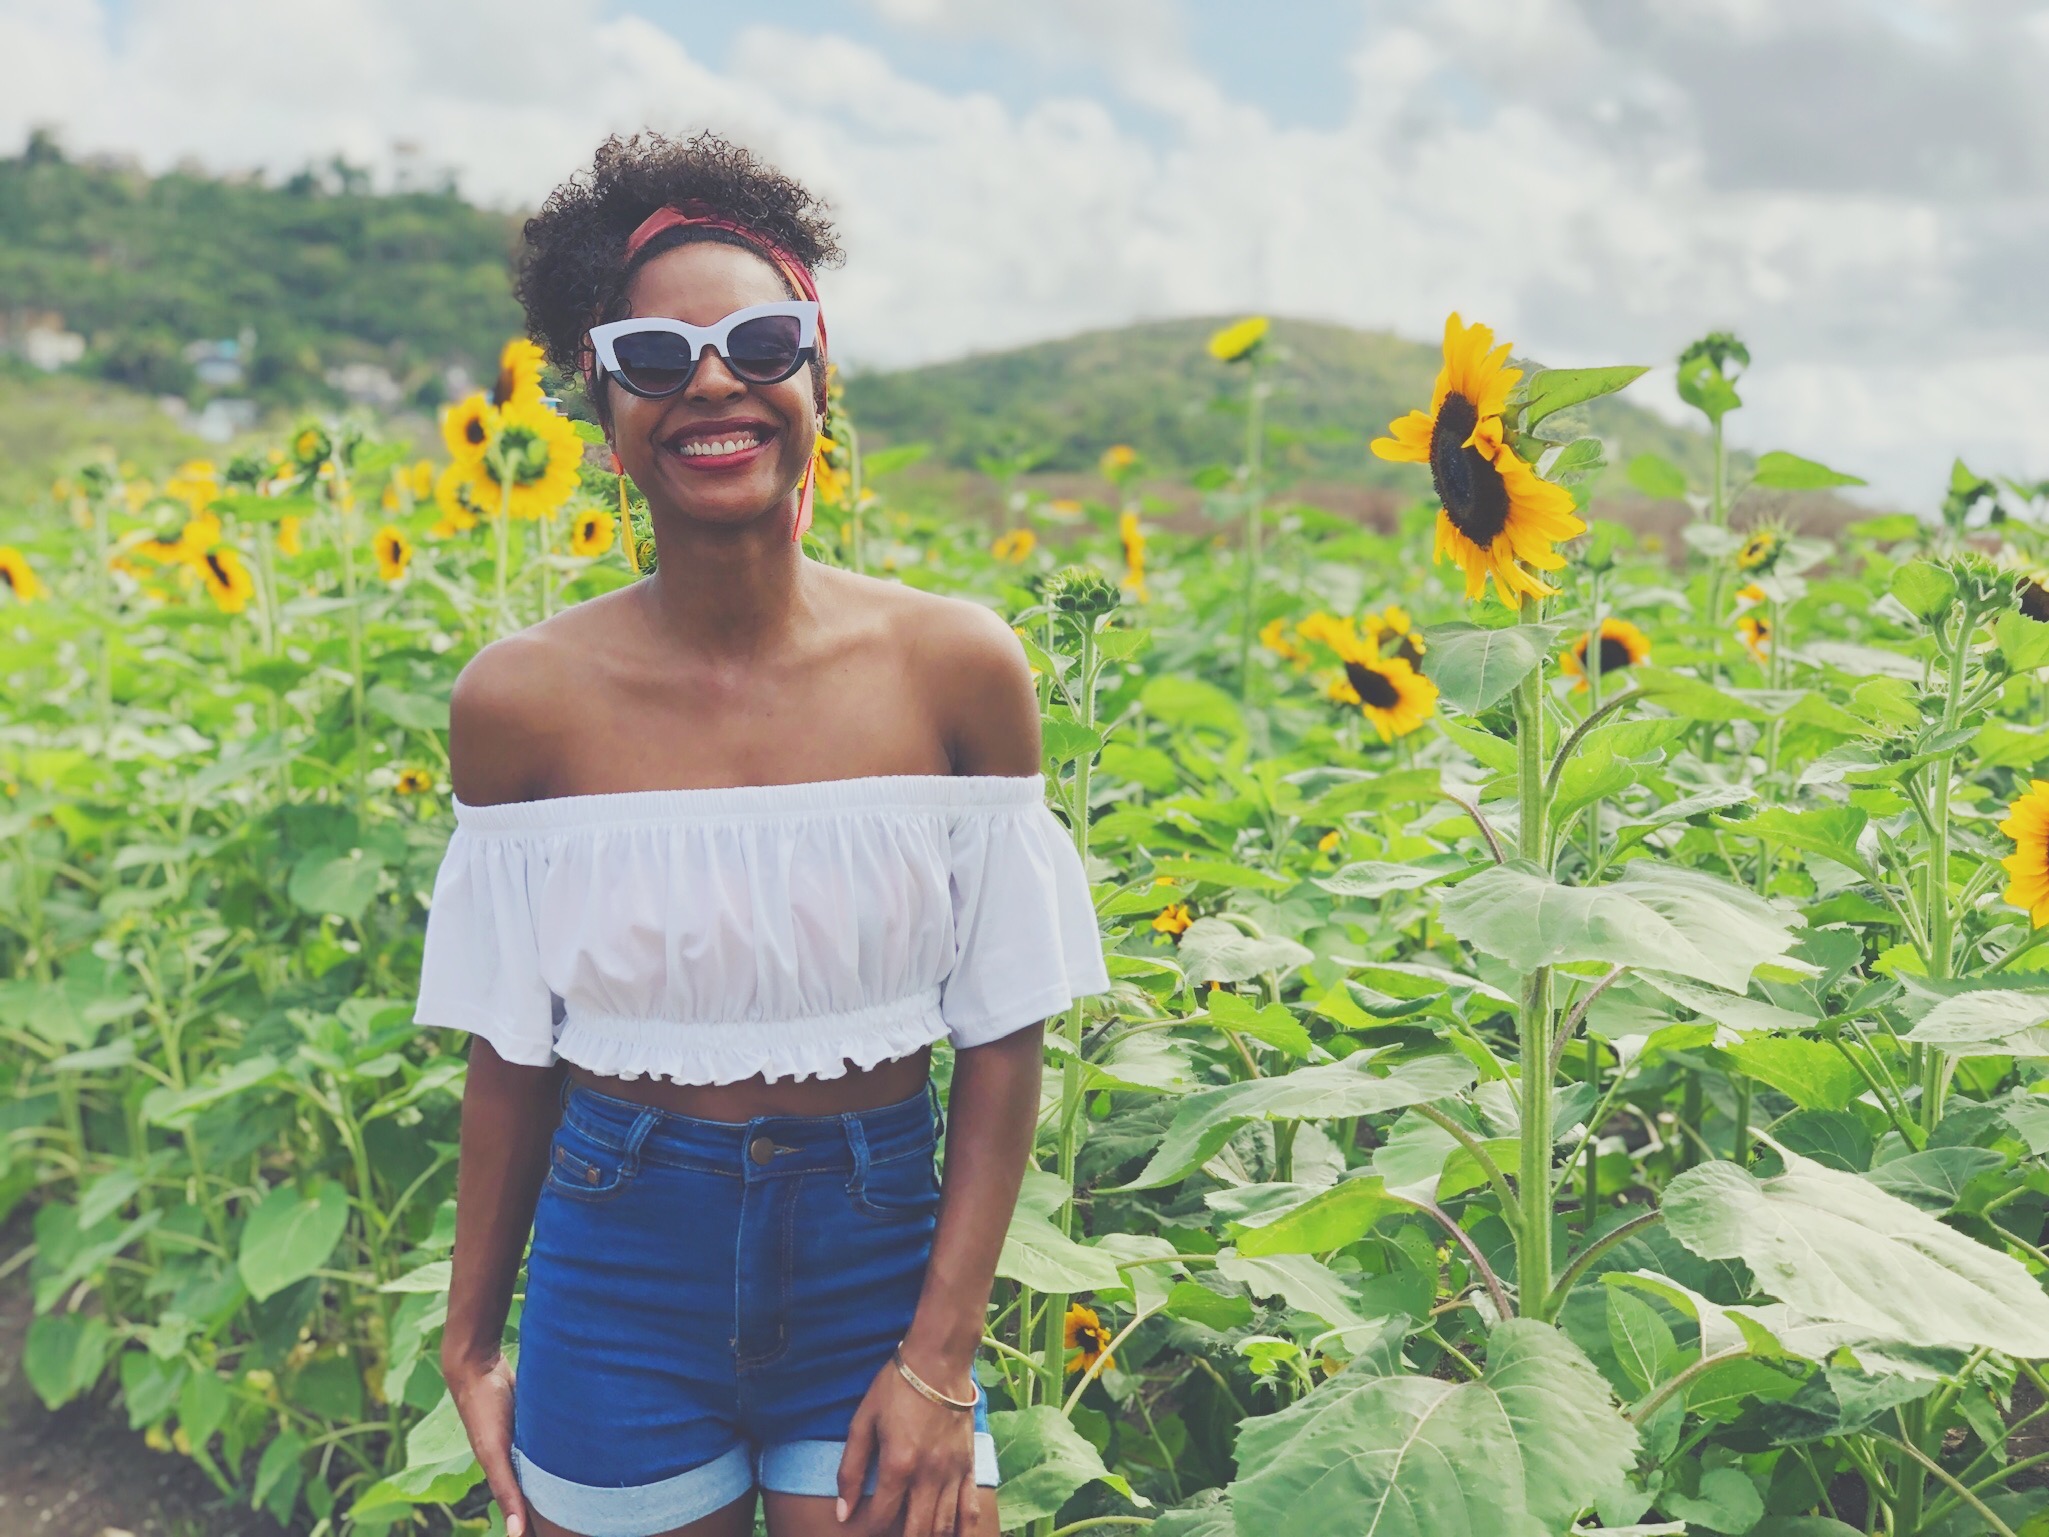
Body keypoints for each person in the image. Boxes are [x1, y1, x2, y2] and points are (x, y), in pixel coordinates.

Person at [416, 132, 1108, 1537]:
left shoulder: (955, 669)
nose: (714, 380)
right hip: (617, 1262)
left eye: (761, 339)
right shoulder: (521, 701)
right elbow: (511, 1046)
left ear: (818, 376)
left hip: (879, 1255)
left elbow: (1003, 1032)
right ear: (601, 403)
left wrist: (941, 1357)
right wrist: (471, 1340)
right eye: (656, 357)